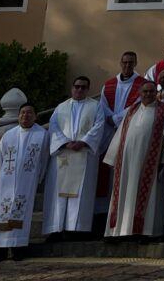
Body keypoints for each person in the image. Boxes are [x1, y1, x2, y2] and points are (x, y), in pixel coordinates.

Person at [103, 79, 164, 240]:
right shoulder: (132, 110)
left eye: (151, 91)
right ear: (140, 93)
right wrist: (113, 157)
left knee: (147, 196)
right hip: (126, 161)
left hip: (149, 163)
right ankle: (120, 231)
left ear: (156, 93)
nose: (148, 94)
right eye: (145, 91)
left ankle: (145, 231)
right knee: (124, 194)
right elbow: (120, 133)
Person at [44, 76, 105, 240]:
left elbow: (99, 126)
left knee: (81, 193)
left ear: (88, 89)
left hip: (84, 154)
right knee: (58, 195)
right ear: (72, 88)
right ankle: (57, 229)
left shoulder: (96, 106)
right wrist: (65, 143)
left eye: (83, 87)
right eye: (77, 86)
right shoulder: (61, 107)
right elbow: (53, 127)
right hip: (63, 154)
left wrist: (84, 142)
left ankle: (77, 229)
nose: (79, 90)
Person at [0, 103, 49, 261]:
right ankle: (0, 250)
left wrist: (38, 178)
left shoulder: (42, 135)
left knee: (21, 211)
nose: (25, 115)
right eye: (22, 112)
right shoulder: (8, 135)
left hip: (27, 181)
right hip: (7, 180)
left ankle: (18, 248)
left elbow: (44, 159)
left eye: (29, 113)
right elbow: (1, 157)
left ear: (35, 116)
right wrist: (6, 174)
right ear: (18, 116)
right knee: (3, 212)